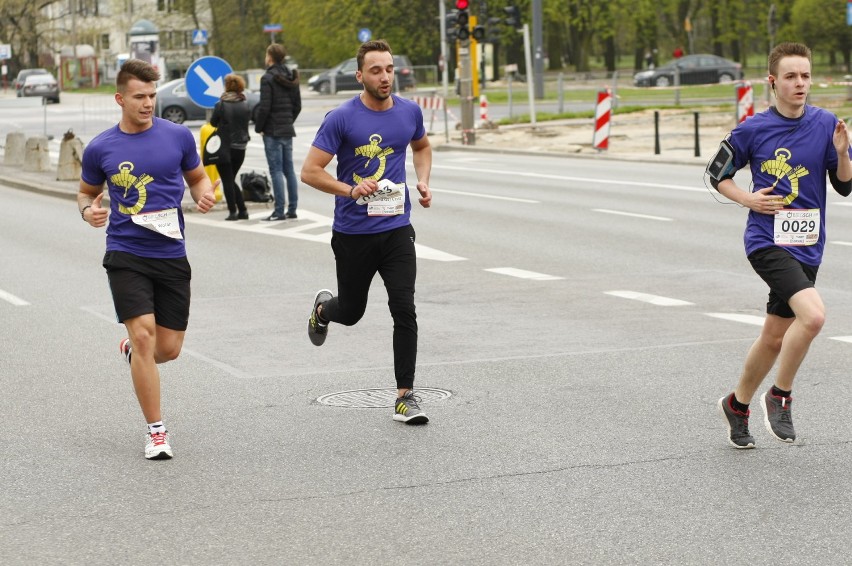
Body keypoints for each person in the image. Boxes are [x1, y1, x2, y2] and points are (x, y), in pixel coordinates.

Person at [710, 42, 852, 449]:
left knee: (775, 336)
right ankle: (780, 395)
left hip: (808, 243)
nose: (800, 83)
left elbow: (844, 184)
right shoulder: (754, 128)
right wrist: (748, 199)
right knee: (814, 317)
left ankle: (736, 405)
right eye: (791, 76)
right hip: (766, 241)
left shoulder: (827, 124)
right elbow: (717, 173)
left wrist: (842, 153)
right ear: (773, 82)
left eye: (805, 75)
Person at [77, 59, 218, 460]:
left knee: (167, 349)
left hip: (171, 252)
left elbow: (197, 178)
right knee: (144, 337)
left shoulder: (177, 137)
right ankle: (156, 431)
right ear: (120, 98)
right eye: (140, 97)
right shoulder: (101, 147)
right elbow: (86, 193)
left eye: (153, 96)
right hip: (126, 251)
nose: (148, 103)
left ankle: (133, 352)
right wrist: (89, 212)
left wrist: (203, 193)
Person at [300, 39, 433, 425]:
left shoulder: (409, 112)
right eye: (376, 70)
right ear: (360, 75)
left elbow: (422, 147)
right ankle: (324, 309)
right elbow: (310, 171)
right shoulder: (341, 118)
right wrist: (349, 189)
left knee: (404, 307)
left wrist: (423, 181)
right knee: (352, 311)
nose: (385, 76)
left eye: (389, 69)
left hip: (396, 228)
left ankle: (405, 396)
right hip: (353, 233)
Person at [255, 43, 301, 221]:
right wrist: (288, 121)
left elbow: (264, 107)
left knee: (275, 171)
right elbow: (297, 106)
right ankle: (293, 209)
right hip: (287, 130)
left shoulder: (267, 78)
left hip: (272, 131)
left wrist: (259, 127)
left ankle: (279, 210)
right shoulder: (292, 76)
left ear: (270, 57)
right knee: (289, 170)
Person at [210, 73, 251, 221]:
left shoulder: (221, 104)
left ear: (226, 86)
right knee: (230, 178)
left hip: (225, 147)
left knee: (227, 180)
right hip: (241, 148)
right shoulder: (245, 103)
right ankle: (243, 211)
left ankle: (233, 211)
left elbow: (213, 123)